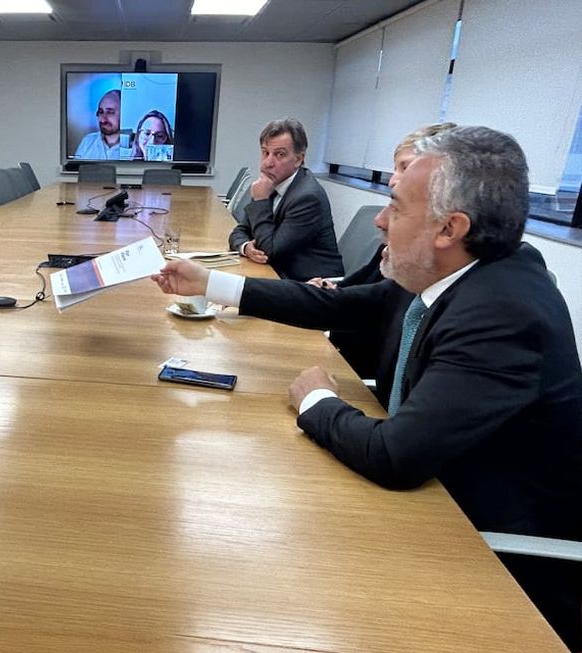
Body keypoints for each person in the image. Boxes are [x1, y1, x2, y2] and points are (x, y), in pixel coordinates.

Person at [153, 126, 582, 650]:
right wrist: (210, 282)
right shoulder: (455, 272)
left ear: (450, 227)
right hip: (433, 499)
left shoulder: (502, 311)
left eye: (396, 208)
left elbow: (395, 457)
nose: (380, 221)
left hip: (488, 559)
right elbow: (337, 306)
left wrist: (316, 398)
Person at [309, 123, 456, 381]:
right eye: (395, 167)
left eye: (405, 167)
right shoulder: (403, 244)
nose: (393, 179)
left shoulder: (430, 267)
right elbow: (365, 291)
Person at [228, 118, 343, 281]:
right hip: (278, 275)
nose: (267, 163)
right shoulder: (271, 184)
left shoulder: (307, 197)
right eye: (265, 152)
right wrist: (246, 247)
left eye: (279, 155)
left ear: (298, 159)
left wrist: (261, 200)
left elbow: (270, 252)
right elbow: (239, 231)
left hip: (311, 288)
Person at [73, 90, 121, 160]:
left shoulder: (136, 145)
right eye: (101, 112)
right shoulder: (88, 141)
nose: (103, 118)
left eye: (110, 112)